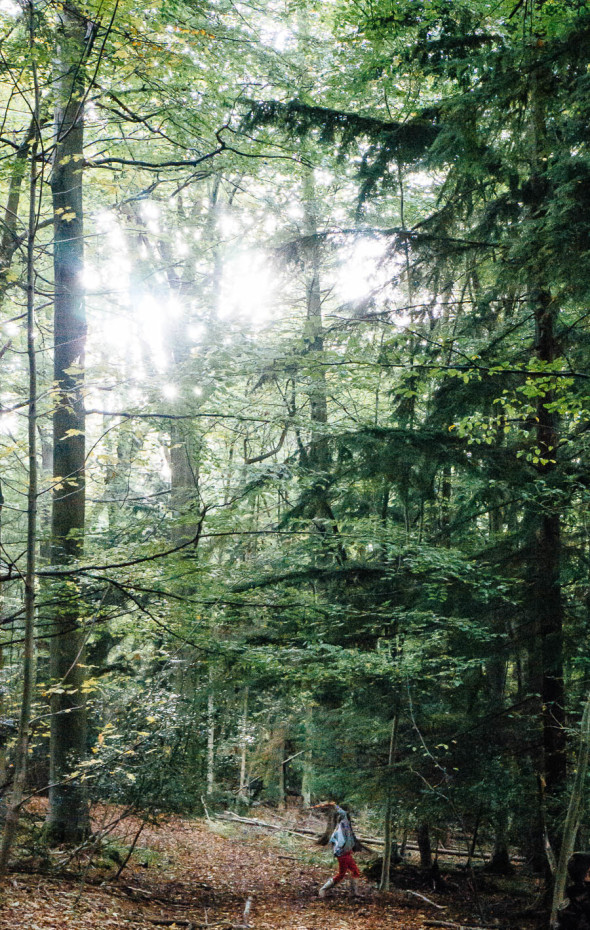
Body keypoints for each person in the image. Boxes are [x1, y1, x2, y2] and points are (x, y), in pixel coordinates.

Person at [315, 801, 361, 898]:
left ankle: (354, 893)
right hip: (343, 854)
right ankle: (323, 889)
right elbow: (339, 842)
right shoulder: (342, 826)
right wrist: (334, 805)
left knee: (355, 871)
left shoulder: (345, 826)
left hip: (346, 853)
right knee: (341, 875)